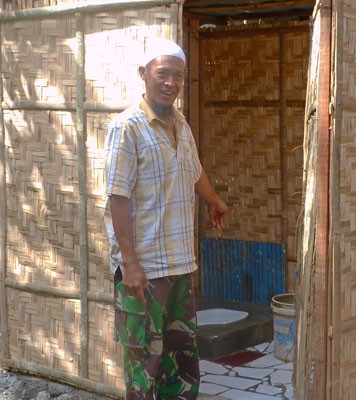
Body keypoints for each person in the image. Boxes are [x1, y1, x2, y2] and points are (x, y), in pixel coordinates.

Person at [104, 38, 228, 400]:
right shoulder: (127, 128)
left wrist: (213, 200)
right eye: (163, 74)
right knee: (145, 361)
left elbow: (193, 171)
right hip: (144, 271)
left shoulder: (180, 124)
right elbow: (117, 197)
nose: (171, 82)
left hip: (177, 264)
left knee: (181, 356)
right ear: (144, 74)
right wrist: (130, 264)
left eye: (178, 75)